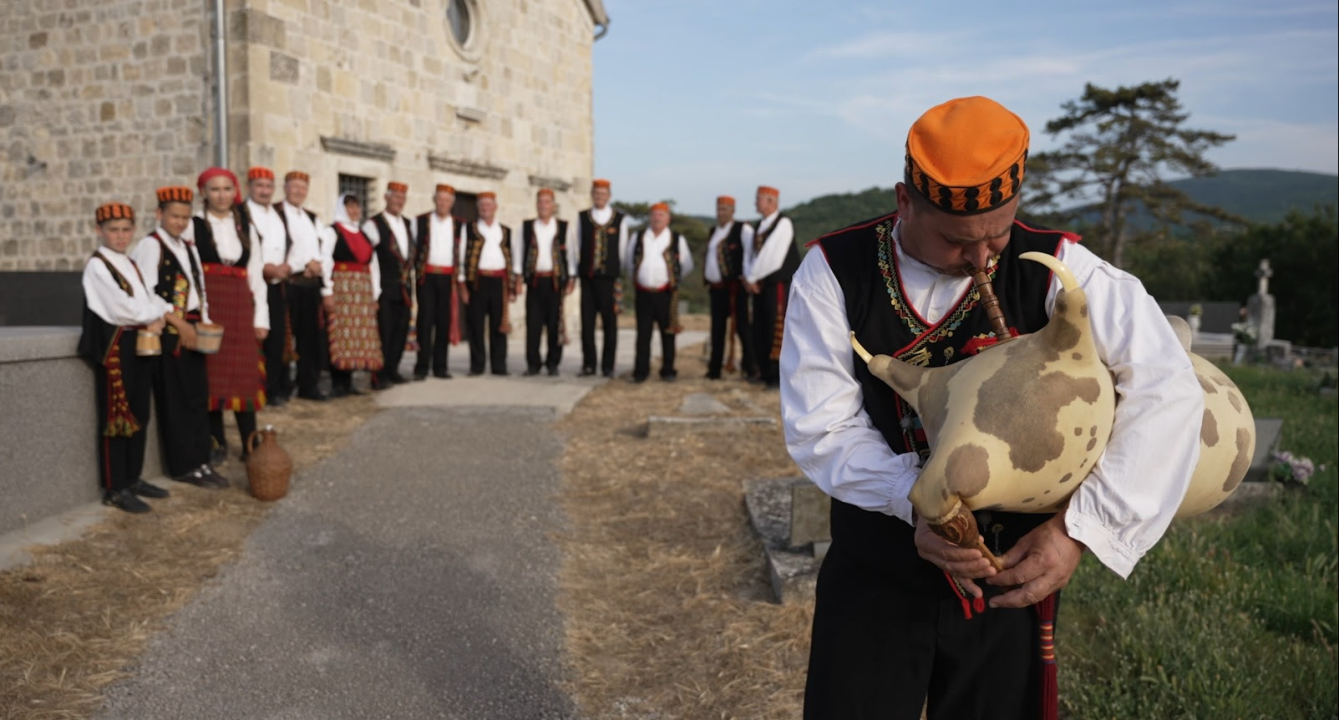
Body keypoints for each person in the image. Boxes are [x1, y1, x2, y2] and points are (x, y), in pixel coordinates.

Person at [781, 96, 1204, 720]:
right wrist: (914, 500)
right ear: (905, 202)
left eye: (999, 235)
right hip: (876, 568)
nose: (982, 260)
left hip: (1011, 572)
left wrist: (1077, 532)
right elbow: (824, 426)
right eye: (956, 240)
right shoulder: (833, 271)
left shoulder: (1063, 268)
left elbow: (1167, 387)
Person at [130, 187, 228, 489]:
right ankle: (183, 465)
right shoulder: (151, 246)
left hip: (193, 330)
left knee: (197, 397)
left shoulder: (189, 247)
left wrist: (204, 322)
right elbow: (145, 293)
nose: (180, 222)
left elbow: (200, 289)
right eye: (174, 216)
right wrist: (179, 323)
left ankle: (201, 461)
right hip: (171, 335)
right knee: (176, 401)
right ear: (160, 214)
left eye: (185, 217)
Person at [79, 202, 173, 513]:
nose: (120, 236)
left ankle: (132, 478)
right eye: (113, 230)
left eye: (125, 230)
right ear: (99, 231)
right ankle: (115, 487)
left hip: (137, 343)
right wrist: (154, 316)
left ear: (133, 230)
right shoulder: (97, 265)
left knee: (139, 413)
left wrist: (160, 311)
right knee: (116, 418)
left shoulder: (129, 263)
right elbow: (122, 308)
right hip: (115, 348)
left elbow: (149, 297)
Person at [193, 167, 268, 465]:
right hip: (209, 305)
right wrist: (198, 313)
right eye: (214, 189)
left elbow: (257, 275)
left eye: (227, 189)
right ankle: (216, 442)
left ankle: (250, 440)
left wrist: (261, 318)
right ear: (204, 193)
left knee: (244, 373)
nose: (221, 195)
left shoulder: (246, 227)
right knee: (211, 374)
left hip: (239, 306)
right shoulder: (193, 226)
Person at [320, 194, 384, 397]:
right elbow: (325, 261)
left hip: (362, 293)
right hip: (342, 289)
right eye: (350, 207)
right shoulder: (333, 232)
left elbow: (373, 266)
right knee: (341, 335)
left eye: (357, 207)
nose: (355, 211)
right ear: (342, 208)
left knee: (357, 338)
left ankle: (350, 382)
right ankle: (338, 382)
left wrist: (375, 295)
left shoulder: (364, 235)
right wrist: (327, 291)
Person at [275, 170, 330, 401]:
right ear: (285, 188)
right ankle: (282, 386)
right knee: (285, 336)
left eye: (302, 188)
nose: (299, 191)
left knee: (311, 338)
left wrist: (318, 265)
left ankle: (308, 384)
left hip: (311, 285)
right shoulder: (276, 214)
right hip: (289, 283)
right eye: (294, 187)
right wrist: (303, 264)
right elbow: (278, 247)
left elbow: (323, 248)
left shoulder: (312, 217)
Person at [626, 202, 693, 383]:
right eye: (654, 214)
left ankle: (668, 370)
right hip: (643, 293)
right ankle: (641, 371)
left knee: (668, 333)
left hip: (666, 293)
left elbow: (687, 265)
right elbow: (629, 262)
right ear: (650, 217)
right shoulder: (639, 236)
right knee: (643, 334)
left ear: (668, 218)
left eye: (661, 215)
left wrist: (671, 279)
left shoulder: (677, 238)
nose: (657, 218)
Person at [743, 185, 800, 389]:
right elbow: (753, 255)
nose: (755, 202)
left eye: (759, 199)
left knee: (776, 328)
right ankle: (764, 371)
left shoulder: (782, 223)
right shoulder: (761, 225)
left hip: (777, 284)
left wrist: (752, 277)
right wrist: (751, 278)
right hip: (761, 284)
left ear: (771, 202)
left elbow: (771, 258)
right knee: (759, 327)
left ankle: (777, 375)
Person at [245, 167, 293, 405]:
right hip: (252, 284)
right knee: (256, 336)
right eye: (259, 186)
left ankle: (273, 388)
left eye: (268, 187)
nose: (264, 191)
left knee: (277, 339)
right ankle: (256, 388)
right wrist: (264, 268)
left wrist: (286, 267)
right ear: (249, 187)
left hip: (277, 284)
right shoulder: (243, 214)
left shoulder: (277, 214)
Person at [517, 188, 576, 376]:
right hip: (534, 281)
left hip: (555, 282)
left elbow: (571, 254)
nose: (543, 205)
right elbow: (519, 252)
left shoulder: (564, 227)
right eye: (540, 202)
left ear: (553, 205)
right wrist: (517, 277)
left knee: (554, 324)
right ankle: (533, 364)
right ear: (536, 205)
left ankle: (553, 363)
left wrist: (571, 277)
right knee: (533, 325)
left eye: (547, 202)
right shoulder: (526, 227)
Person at [575, 179, 631, 377]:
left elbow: (623, 250)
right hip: (588, 278)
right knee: (587, 323)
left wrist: (619, 275)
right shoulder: (582, 217)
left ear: (609, 196)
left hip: (609, 279)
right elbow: (577, 246)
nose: (599, 197)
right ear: (592, 195)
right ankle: (589, 364)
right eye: (596, 193)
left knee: (610, 324)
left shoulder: (619, 219)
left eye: (603, 193)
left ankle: (608, 366)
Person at [364, 181, 416, 387]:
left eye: (402, 198)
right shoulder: (373, 224)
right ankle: (379, 375)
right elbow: (369, 258)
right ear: (386, 197)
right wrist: (373, 291)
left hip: (404, 287)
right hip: (384, 286)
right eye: (395, 197)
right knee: (384, 331)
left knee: (401, 330)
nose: (399, 201)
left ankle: (393, 368)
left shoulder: (407, 223)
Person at [458, 191, 514, 376]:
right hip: (477, 281)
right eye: (482, 206)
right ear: (478, 208)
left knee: (499, 325)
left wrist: (512, 286)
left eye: (488, 205)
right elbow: (460, 258)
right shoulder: (468, 229)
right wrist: (462, 286)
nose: (485, 208)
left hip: (499, 281)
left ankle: (499, 366)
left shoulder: (505, 231)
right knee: (475, 325)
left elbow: (511, 259)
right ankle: (477, 366)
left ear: (495, 207)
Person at [703, 194, 756, 380]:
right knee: (717, 329)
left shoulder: (743, 229)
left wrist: (749, 278)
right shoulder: (714, 231)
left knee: (742, 327)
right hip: (716, 289)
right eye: (718, 209)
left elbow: (751, 255)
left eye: (724, 209)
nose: (721, 213)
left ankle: (750, 367)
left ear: (733, 211)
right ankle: (714, 369)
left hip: (735, 287)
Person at [412, 184, 462, 380]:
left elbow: (461, 252)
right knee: (424, 320)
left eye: (447, 200)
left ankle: (441, 366)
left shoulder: (459, 224)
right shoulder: (421, 221)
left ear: (452, 203)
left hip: (448, 277)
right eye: (440, 199)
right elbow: (414, 248)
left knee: (443, 321)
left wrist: (461, 278)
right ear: (434, 200)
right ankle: (421, 366)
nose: (443, 203)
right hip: (427, 275)